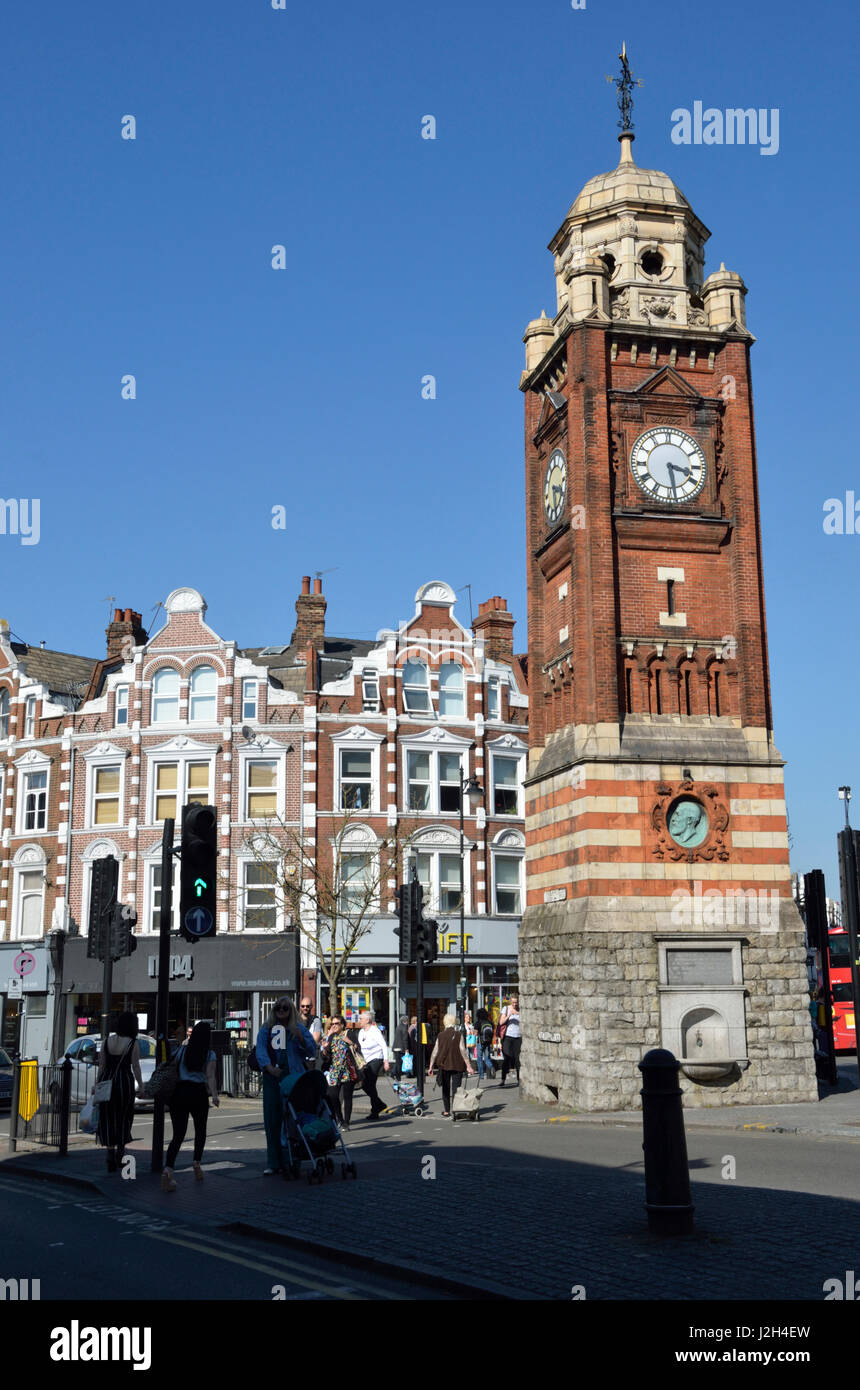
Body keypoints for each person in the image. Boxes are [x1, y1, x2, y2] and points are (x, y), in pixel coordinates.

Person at [256, 997, 316, 1175]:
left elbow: (312, 1050)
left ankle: (291, 1159)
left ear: (291, 1010)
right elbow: (260, 1050)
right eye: (278, 1008)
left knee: (292, 1119)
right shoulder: (266, 1029)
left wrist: (300, 1038)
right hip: (272, 1079)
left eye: (285, 1008)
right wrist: (268, 1068)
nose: (281, 1010)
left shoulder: (298, 1028)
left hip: (293, 1077)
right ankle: (273, 1162)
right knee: (272, 1119)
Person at [161, 1021, 219, 1192]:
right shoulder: (209, 1054)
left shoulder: (182, 1050)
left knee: (178, 1134)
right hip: (198, 1093)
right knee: (200, 1130)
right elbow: (210, 1077)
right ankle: (196, 1164)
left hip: (179, 1093)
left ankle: (168, 1170)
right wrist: (214, 1095)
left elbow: (172, 1067)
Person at [94, 1012, 142, 1173]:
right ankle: (120, 1154)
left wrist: (96, 1084)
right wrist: (141, 1085)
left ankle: (109, 1154)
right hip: (124, 1083)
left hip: (107, 1082)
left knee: (107, 1117)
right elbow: (135, 1066)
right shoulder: (132, 1043)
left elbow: (102, 1066)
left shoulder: (107, 1041)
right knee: (124, 1117)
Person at [427, 1014, 474, 1116]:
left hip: (444, 1065)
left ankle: (447, 1110)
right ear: (454, 1022)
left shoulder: (440, 1035)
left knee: (446, 1088)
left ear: (445, 1022)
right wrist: (468, 1066)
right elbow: (463, 1051)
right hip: (457, 1065)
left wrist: (431, 1066)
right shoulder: (458, 1034)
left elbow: (435, 1052)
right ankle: (456, 1109)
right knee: (456, 1089)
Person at [321, 1014, 358, 1129]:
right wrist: (325, 1050)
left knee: (347, 1097)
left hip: (347, 1069)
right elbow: (325, 1058)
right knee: (332, 1095)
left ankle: (346, 1122)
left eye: (337, 1023)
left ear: (342, 1024)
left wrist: (349, 1042)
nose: (334, 1026)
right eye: (332, 1024)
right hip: (334, 1070)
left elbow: (357, 1048)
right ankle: (340, 1119)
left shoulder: (349, 1034)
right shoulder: (331, 1037)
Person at [357, 1009, 389, 1120]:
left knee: (370, 1083)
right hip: (365, 1061)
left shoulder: (375, 1031)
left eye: (361, 1018)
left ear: (367, 1020)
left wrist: (386, 1061)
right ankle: (379, 1104)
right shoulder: (361, 1032)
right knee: (365, 1085)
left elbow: (384, 1045)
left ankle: (375, 1110)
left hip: (376, 1059)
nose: (359, 1020)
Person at [499, 995, 521, 1086]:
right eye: (513, 1002)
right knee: (506, 1058)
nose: (515, 1004)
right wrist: (509, 1015)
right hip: (508, 1036)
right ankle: (503, 1079)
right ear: (510, 1002)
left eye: (516, 1002)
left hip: (518, 1037)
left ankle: (519, 1080)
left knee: (518, 1059)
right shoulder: (506, 1009)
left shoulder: (521, 1009)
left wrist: (518, 1014)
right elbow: (501, 1022)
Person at [475, 1007, 495, 1081]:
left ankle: (481, 1075)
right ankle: (491, 1066)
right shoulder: (489, 1022)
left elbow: (476, 1033)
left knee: (479, 1059)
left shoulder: (478, 1023)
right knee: (487, 1058)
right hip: (488, 1042)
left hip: (480, 1042)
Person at [392, 1015, 411, 1080]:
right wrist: (406, 1049)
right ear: (406, 1021)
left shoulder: (398, 1027)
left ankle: (393, 1073)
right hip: (401, 1048)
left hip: (396, 1047)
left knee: (398, 1062)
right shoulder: (404, 1027)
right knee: (400, 1063)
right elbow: (405, 1039)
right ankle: (398, 1076)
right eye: (408, 1020)